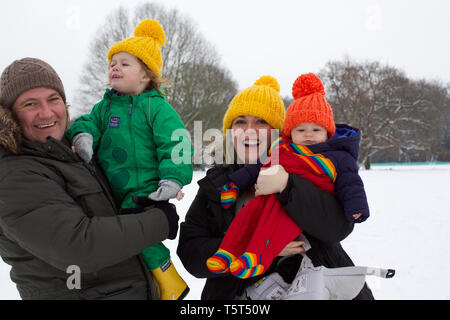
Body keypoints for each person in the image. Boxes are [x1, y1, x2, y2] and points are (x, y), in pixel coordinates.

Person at [177, 75, 374, 300]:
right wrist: (261, 248)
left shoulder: (313, 170)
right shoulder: (215, 184)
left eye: (261, 122)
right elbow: (191, 253)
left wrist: (288, 185)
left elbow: (337, 227)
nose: (250, 130)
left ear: (280, 132)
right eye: (240, 121)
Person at [0, 57, 180, 300]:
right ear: (10, 115)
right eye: (30, 104)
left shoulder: (71, 153)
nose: (46, 113)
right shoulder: (14, 174)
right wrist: (160, 220)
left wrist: (160, 181)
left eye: (53, 100)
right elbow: (79, 245)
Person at [65, 19, 193, 300]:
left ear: (145, 75)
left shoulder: (156, 108)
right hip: (109, 189)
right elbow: (86, 123)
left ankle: (169, 280)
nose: (115, 67)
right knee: (115, 240)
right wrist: (82, 136)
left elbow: (177, 142)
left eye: (124, 63)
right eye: (113, 63)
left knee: (140, 237)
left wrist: (173, 178)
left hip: (144, 191)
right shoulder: (104, 106)